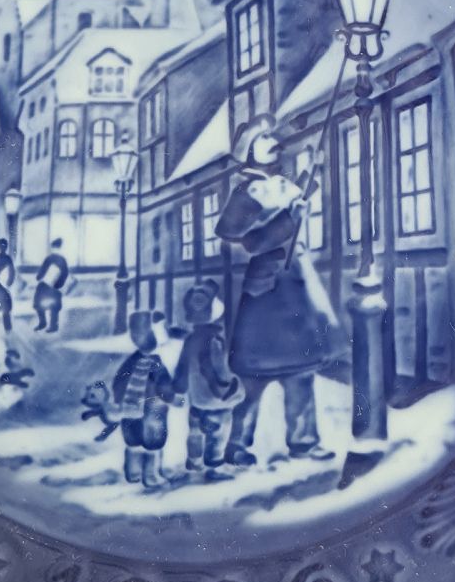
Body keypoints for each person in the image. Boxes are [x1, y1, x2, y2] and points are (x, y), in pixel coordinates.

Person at [215, 114, 338, 466]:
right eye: (264, 138)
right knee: (254, 375)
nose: (274, 142)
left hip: (294, 285)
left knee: (301, 370)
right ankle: (237, 444)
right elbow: (252, 242)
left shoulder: (281, 184)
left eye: (272, 136)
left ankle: (304, 440)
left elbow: (295, 199)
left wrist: (312, 173)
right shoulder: (246, 193)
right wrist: (288, 219)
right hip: (266, 291)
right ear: (250, 150)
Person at [173, 279, 243, 481]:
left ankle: (194, 461)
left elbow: (182, 367)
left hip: (196, 400)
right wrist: (227, 387)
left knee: (195, 431)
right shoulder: (216, 340)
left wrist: (179, 388)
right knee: (218, 434)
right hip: (215, 400)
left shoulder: (190, 340)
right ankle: (214, 466)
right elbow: (217, 367)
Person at [111, 310, 178, 490]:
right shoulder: (155, 363)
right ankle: (151, 475)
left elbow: (118, 382)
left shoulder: (132, 360)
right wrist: (172, 397)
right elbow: (164, 385)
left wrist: (119, 401)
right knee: (153, 440)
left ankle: (133, 472)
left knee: (133, 440)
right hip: (151, 409)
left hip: (129, 409)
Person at [33, 237, 69, 333]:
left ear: (53, 247)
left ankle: (42, 323)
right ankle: (53, 326)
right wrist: (59, 284)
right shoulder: (63, 260)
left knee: (39, 304)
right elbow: (65, 274)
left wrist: (38, 277)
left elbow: (41, 273)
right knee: (54, 307)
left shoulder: (49, 258)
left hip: (45, 286)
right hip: (56, 287)